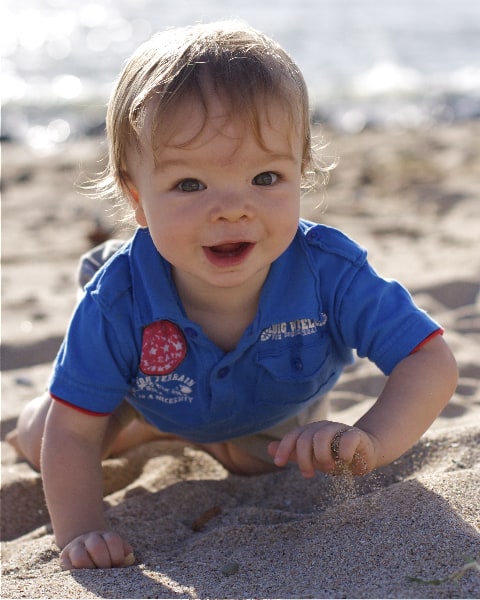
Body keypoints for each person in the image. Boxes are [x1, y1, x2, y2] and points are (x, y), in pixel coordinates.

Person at [7, 20, 457, 570]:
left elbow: (428, 359)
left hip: (270, 412)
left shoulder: (329, 273)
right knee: (43, 435)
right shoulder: (118, 297)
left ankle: (211, 439)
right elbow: (74, 433)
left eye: (265, 177)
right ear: (137, 198)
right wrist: (81, 532)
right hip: (144, 392)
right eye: (190, 185)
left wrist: (371, 439)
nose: (232, 209)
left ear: (302, 173)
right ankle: (144, 424)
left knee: (269, 465)